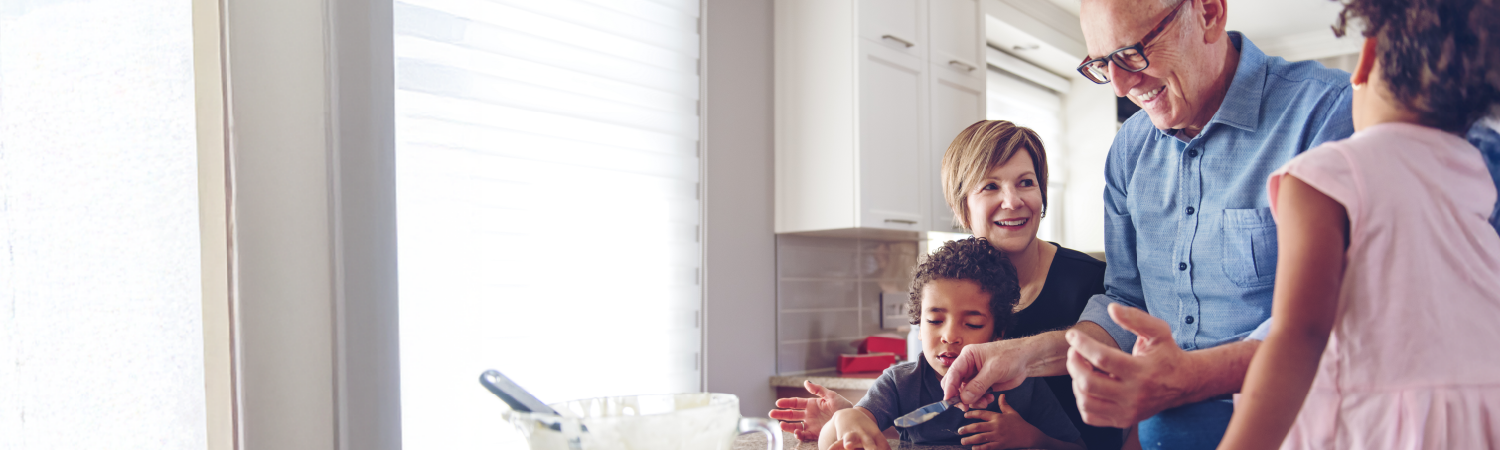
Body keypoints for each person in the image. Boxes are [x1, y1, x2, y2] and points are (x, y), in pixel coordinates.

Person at [940, 0, 1360, 448]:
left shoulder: (1325, 112)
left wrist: (1186, 378)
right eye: (1103, 64)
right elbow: (1126, 302)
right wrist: (1020, 356)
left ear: (1209, 13)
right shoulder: (1130, 149)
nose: (1121, 87)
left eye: (1133, 52)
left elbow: (1336, 319)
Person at [1218, 0, 1500, 448]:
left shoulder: (1327, 171)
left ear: (1366, 57)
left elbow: (1299, 336)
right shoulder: (1474, 176)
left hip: (1384, 424)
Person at [772, 121, 1122, 449]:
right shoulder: (946, 288)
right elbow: (931, 421)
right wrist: (853, 418)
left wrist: (1030, 438)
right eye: (990, 186)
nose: (1012, 201)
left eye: (1026, 183)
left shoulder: (1097, 284)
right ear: (962, 206)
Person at [820, 237, 1083, 450]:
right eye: (935, 321)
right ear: (919, 325)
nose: (949, 336)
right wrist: (845, 418)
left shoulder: (1024, 384)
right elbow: (829, 440)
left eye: (972, 324)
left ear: (998, 334)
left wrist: (1031, 438)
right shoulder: (899, 384)